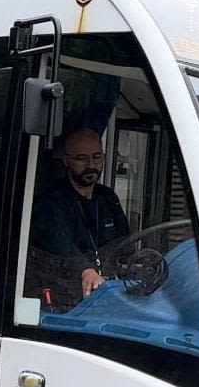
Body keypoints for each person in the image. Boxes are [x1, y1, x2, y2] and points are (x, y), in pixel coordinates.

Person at [29, 127, 130, 305]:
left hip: (108, 296)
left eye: (97, 157)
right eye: (82, 158)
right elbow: (59, 246)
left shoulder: (108, 197)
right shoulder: (51, 201)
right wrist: (86, 271)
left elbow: (125, 243)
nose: (91, 165)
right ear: (67, 161)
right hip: (63, 302)